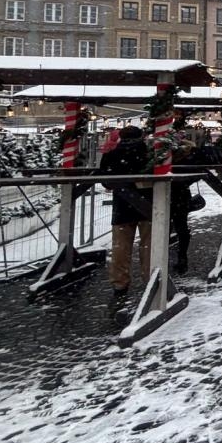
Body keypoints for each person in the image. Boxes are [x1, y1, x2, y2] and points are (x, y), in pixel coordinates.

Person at [99, 125, 151, 313]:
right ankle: (151, 278)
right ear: (141, 137)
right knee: (149, 245)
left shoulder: (112, 154)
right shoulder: (149, 154)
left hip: (122, 206)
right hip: (149, 205)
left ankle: (120, 283)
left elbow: (105, 180)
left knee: (120, 247)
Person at [169, 139, 201, 274]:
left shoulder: (163, 155)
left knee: (166, 226)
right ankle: (182, 256)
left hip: (167, 193)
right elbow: (195, 174)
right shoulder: (189, 157)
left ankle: (168, 256)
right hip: (181, 195)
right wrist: (184, 182)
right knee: (181, 226)